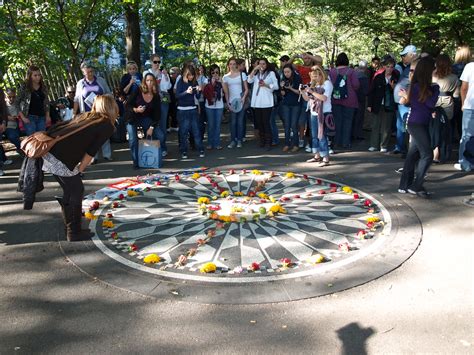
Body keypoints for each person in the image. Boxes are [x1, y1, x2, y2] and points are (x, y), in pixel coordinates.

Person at [44, 95, 118, 241]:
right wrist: (80, 169)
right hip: (61, 156)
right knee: (76, 190)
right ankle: (74, 232)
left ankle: (70, 226)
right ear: (111, 107)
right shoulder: (106, 124)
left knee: (71, 190)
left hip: (50, 152)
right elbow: (91, 151)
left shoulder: (88, 116)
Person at [398, 57, 440, 197]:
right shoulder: (430, 87)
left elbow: (412, 103)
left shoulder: (416, 86)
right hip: (417, 124)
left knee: (412, 154)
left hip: (416, 122)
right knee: (427, 155)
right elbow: (429, 104)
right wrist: (434, 88)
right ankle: (416, 185)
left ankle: (404, 185)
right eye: (434, 68)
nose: (436, 70)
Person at [73, 62, 112, 163]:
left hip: (101, 111)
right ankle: (93, 157)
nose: (90, 74)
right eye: (87, 72)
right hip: (87, 113)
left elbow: (109, 93)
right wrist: (74, 112)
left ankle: (107, 155)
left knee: (104, 133)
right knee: (90, 135)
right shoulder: (80, 84)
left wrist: (100, 98)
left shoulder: (100, 80)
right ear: (83, 72)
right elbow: (77, 99)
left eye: (91, 71)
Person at [124, 73, 164, 169]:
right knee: (133, 139)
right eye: (147, 80)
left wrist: (151, 127)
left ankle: (152, 155)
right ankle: (136, 162)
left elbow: (157, 115)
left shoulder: (156, 96)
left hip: (145, 118)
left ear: (154, 82)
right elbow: (127, 105)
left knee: (160, 135)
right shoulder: (138, 90)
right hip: (132, 117)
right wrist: (136, 109)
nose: (149, 82)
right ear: (144, 82)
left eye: (151, 80)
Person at [289, 52, 323, 149]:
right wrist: (294, 56)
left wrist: (309, 55)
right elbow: (288, 65)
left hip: (314, 94)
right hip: (303, 95)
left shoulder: (315, 67)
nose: (306, 60)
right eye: (305, 58)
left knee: (312, 121)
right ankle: (301, 139)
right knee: (301, 121)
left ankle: (312, 143)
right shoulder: (300, 67)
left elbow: (320, 59)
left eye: (308, 58)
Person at [301, 65, 333, 166]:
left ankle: (326, 158)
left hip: (324, 112)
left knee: (321, 136)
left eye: (316, 76)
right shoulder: (313, 85)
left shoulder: (327, 84)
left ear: (321, 75)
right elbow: (307, 99)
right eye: (312, 76)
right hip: (313, 112)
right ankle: (317, 155)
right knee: (314, 136)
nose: (314, 78)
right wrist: (303, 92)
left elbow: (323, 98)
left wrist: (311, 92)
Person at [367, 56, 399, 152]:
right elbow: (372, 91)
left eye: (391, 67)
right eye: (388, 66)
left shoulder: (396, 78)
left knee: (387, 126)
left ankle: (383, 145)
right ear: (384, 67)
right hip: (378, 103)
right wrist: (369, 104)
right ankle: (374, 144)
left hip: (389, 104)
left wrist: (392, 87)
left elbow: (398, 93)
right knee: (375, 125)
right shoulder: (378, 77)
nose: (390, 68)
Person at [431, 54, 459, 163]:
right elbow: (456, 95)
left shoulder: (432, 75)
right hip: (448, 102)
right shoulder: (454, 77)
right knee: (445, 128)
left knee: (434, 128)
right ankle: (445, 152)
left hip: (434, 101)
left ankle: (435, 153)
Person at [143, 54, 172, 157]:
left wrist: (165, 76)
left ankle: (163, 148)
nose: (157, 64)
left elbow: (167, 87)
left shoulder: (163, 73)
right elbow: (145, 86)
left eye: (159, 62)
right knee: (153, 124)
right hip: (151, 101)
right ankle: (154, 147)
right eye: (155, 62)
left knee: (163, 124)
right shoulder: (147, 73)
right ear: (151, 62)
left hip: (162, 100)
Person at [329, 52, 360, 149]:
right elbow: (356, 85)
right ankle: (346, 142)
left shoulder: (332, 72)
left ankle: (337, 141)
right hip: (350, 100)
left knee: (337, 121)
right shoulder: (351, 71)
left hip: (335, 99)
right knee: (348, 121)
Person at [247, 58, 279, 150]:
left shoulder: (271, 73)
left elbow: (276, 86)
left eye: (263, 64)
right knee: (259, 122)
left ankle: (269, 141)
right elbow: (249, 80)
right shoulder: (256, 74)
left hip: (267, 102)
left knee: (266, 122)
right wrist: (254, 69)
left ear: (267, 64)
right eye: (260, 64)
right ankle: (262, 140)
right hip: (257, 102)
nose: (262, 66)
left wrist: (266, 85)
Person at [392, 45, 418, 155]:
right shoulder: (408, 67)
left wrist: (406, 96)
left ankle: (408, 149)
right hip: (401, 101)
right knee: (401, 124)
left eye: (404, 55)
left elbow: (413, 84)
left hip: (405, 100)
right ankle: (400, 146)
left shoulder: (413, 68)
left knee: (407, 124)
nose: (403, 58)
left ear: (411, 55)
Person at [175, 65, 204, 159]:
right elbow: (177, 96)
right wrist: (186, 92)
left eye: (193, 75)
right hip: (182, 110)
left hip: (192, 109)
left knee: (196, 130)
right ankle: (184, 150)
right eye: (190, 75)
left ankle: (200, 149)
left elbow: (198, 97)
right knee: (183, 132)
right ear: (186, 74)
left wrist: (199, 91)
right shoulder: (180, 82)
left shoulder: (194, 82)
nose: (191, 77)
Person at [16, 65, 51, 136]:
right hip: (29, 117)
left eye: (39, 75)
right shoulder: (24, 86)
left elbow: (46, 102)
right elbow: (16, 102)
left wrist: (47, 115)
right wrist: (23, 117)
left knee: (42, 138)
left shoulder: (43, 86)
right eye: (35, 75)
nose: (38, 77)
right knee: (33, 139)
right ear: (30, 76)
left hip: (41, 117)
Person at [222, 57, 249, 148]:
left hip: (241, 101)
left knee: (240, 122)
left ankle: (239, 140)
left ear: (236, 65)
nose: (232, 66)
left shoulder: (242, 75)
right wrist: (228, 103)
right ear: (228, 65)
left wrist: (243, 98)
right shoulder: (225, 77)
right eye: (230, 64)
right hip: (232, 103)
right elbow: (226, 92)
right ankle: (233, 140)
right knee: (233, 122)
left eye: (234, 64)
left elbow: (246, 89)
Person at [454, 60, 474, 172]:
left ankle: (464, 162)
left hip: (470, 106)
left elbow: (464, 87)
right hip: (470, 105)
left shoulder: (470, 66)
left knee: (467, 135)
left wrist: (463, 103)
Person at [279, 64, 301, 152]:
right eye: (285, 72)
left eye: (288, 72)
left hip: (296, 104)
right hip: (286, 104)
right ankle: (287, 144)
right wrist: (282, 87)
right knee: (287, 125)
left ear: (292, 71)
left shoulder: (297, 78)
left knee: (294, 125)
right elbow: (283, 94)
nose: (286, 74)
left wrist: (290, 88)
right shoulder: (283, 79)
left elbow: (300, 92)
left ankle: (296, 144)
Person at [452, 45, 472, 140]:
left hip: (454, 96)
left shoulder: (453, 68)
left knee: (453, 121)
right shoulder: (470, 66)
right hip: (468, 98)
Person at [203, 64, 224, 150]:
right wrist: (210, 83)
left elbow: (225, 91)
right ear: (210, 73)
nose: (215, 74)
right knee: (211, 125)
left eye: (216, 72)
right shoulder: (206, 80)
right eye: (213, 72)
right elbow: (203, 90)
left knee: (218, 125)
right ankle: (210, 143)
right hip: (209, 105)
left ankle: (217, 143)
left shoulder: (222, 79)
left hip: (219, 105)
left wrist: (220, 82)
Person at [353, 60, 369, 140]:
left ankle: (352, 134)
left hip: (352, 99)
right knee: (359, 118)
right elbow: (366, 91)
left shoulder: (353, 74)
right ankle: (358, 135)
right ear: (365, 67)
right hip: (360, 99)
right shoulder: (364, 77)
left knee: (353, 117)